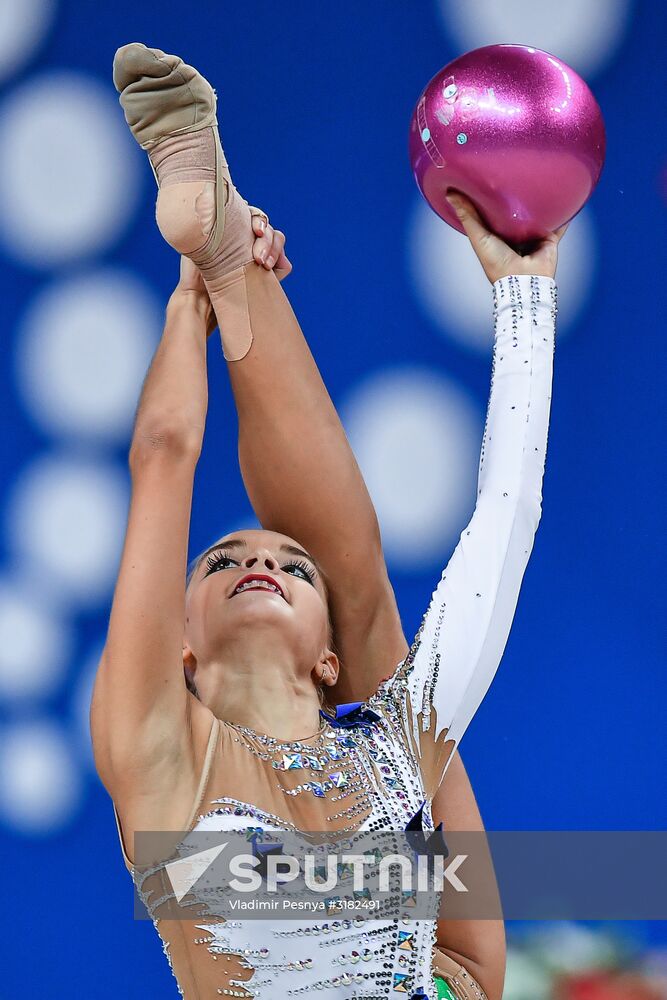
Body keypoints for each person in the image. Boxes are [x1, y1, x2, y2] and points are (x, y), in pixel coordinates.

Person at [90, 43, 566, 1000]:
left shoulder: (395, 743)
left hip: (444, 941)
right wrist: (523, 299)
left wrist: (194, 299)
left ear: (325, 663)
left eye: (285, 567)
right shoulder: (158, 751)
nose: (259, 561)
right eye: (223, 558)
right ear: (178, 649)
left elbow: (502, 521)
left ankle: (229, 257)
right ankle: (229, 258)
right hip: (461, 967)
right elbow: (163, 459)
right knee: (375, 615)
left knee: (377, 617)